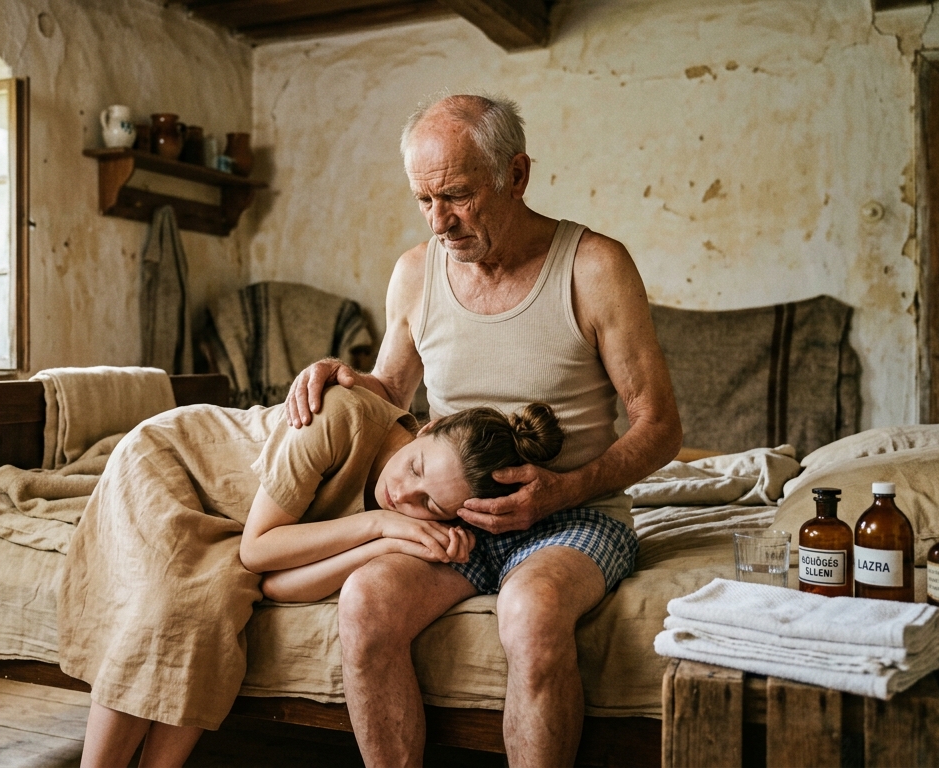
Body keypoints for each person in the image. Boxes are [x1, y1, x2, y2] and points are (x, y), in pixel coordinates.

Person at [283, 93, 682, 766]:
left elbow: (662, 426)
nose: (440, 222)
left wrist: (561, 491)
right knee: (365, 602)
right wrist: (341, 378)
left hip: (571, 520)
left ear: (516, 175)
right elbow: (391, 393)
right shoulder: (415, 274)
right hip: (450, 520)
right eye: (423, 201)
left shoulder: (594, 266)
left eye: (458, 196)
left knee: (528, 611)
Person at [57, 382, 566, 768]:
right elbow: (258, 553)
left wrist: (386, 541)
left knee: (213, 606)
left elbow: (272, 586)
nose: (404, 496)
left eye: (431, 503)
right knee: (167, 604)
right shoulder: (342, 417)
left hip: (237, 522)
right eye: (415, 469)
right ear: (427, 427)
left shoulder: (410, 523)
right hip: (172, 463)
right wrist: (377, 523)